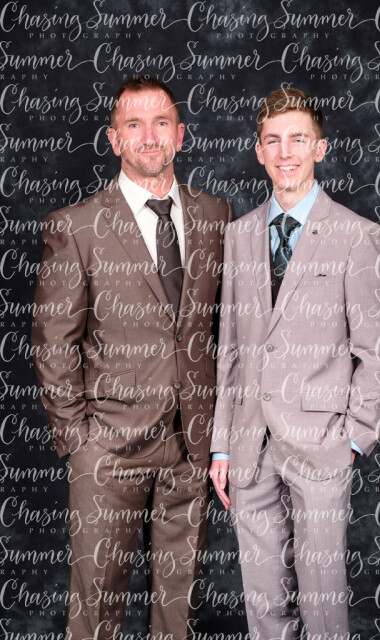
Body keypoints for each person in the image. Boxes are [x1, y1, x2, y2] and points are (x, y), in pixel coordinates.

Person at [31, 75, 232, 640]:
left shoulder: (217, 216)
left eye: (161, 123)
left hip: (190, 448)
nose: (149, 136)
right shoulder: (77, 226)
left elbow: (227, 330)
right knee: (97, 611)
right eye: (134, 124)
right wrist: (79, 440)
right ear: (114, 139)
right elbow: (52, 341)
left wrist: (220, 435)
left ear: (180, 134)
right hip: (107, 450)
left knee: (177, 612)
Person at [210, 87, 380, 639]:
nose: (285, 152)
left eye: (298, 138)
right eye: (273, 140)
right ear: (258, 151)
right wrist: (221, 445)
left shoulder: (355, 235)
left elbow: (379, 347)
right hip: (250, 446)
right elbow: (231, 349)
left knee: (322, 605)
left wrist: (355, 436)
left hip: (322, 445)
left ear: (320, 148)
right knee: (264, 605)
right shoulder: (239, 235)